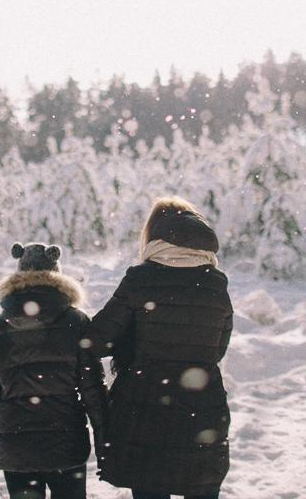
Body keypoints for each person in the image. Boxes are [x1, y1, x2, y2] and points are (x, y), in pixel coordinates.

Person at [89, 197, 233, 499]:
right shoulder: (216, 284)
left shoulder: (141, 279)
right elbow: (217, 350)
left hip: (147, 411)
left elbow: (97, 340)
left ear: (155, 236)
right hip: (203, 410)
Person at [0, 242, 107, 499]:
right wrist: (104, 443)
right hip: (65, 443)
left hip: (16, 444)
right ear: (57, 274)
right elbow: (93, 391)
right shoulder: (75, 322)